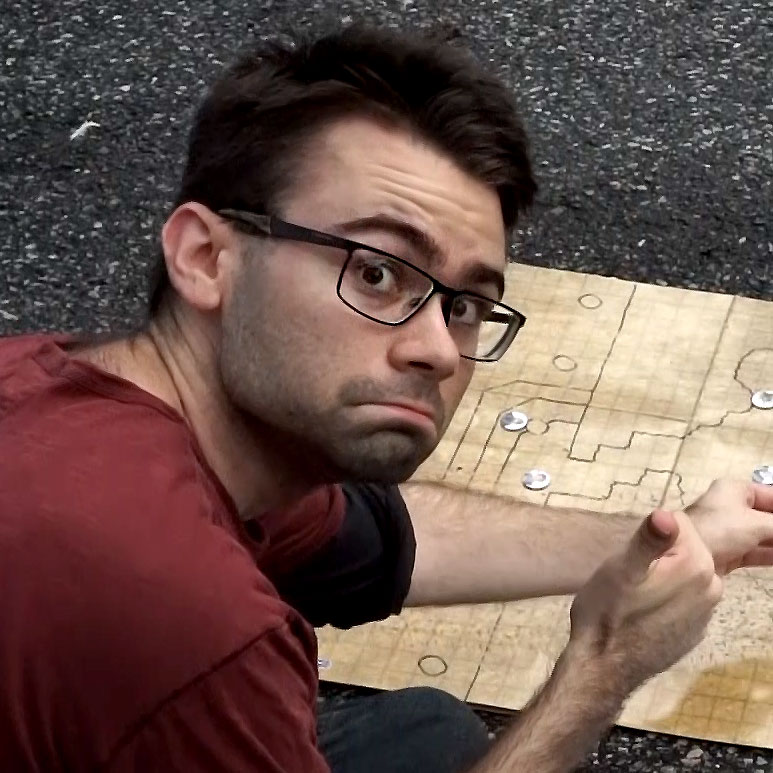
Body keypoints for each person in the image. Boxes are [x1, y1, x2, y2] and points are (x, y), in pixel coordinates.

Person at [1, 24, 771, 773]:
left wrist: (675, 536)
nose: (438, 347)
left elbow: (378, 541)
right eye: (376, 272)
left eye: (463, 304)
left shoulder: (75, 395)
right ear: (206, 257)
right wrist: (601, 665)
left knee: (426, 731)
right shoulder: (186, 627)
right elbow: (191, 638)